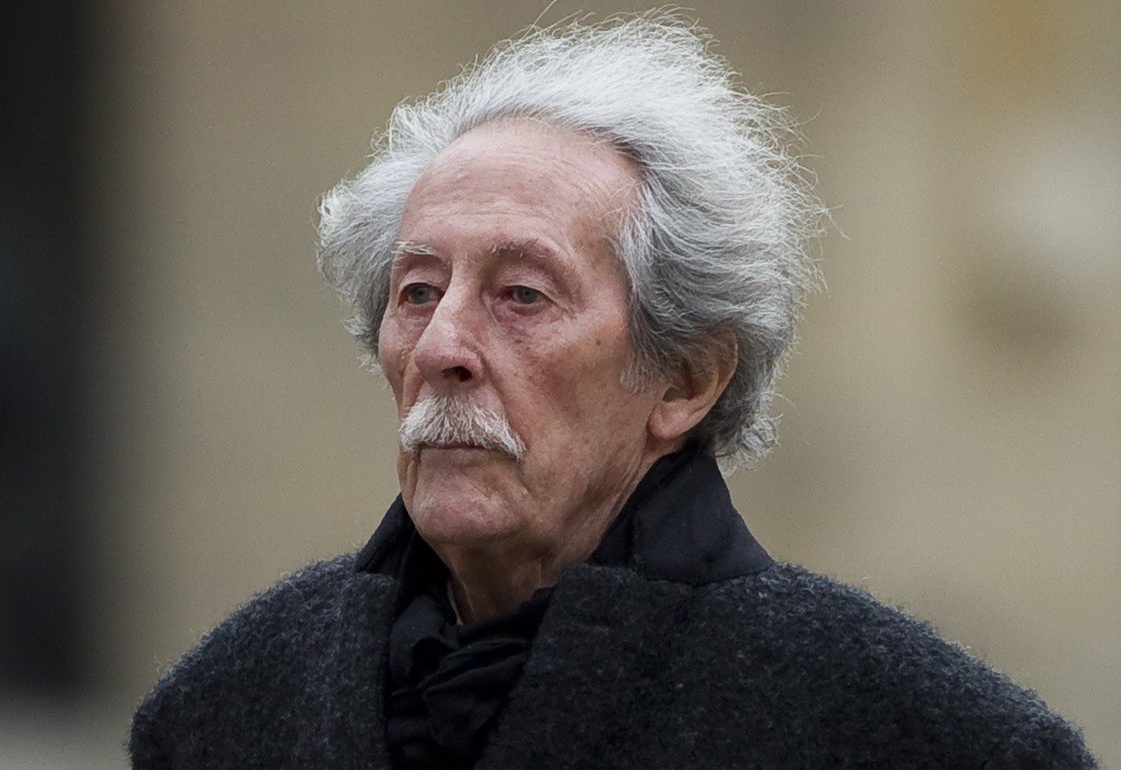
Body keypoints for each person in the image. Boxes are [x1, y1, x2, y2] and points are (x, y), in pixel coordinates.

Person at [130, 13, 1095, 768]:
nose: (443, 346)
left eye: (521, 295)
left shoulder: (907, 733)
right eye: (417, 291)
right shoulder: (233, 700)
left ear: (683, 377)